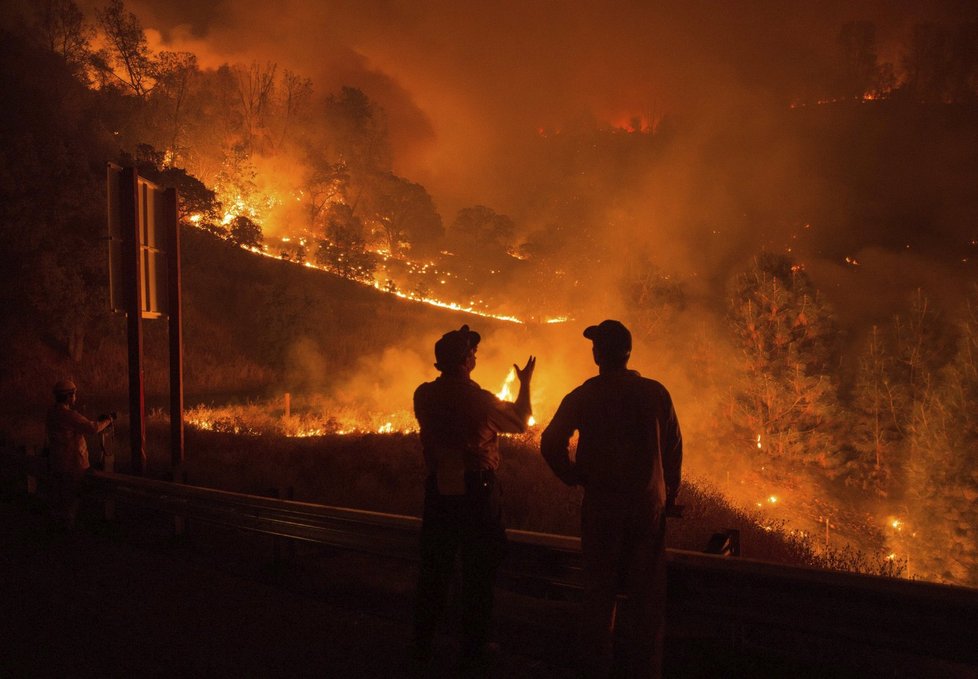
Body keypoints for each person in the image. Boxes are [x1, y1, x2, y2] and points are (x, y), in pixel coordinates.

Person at [541, 320, 682, 679]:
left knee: (598, 596)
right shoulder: (656, 393)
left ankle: (596, 668)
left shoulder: (586, 394)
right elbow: (673, 450)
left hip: (603, 508)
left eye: (595, 346)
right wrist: (668, 496)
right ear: (628, 352)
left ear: (598, 354)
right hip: (647, 509)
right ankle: (643, 671)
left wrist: (571, 475)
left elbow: (550, 441)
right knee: (646, 599)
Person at [412, 324, 535, 670]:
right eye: (472, 351)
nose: (476, 355)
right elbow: (522, 420)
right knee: (479, 571)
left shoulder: (424, 394)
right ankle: (474, 649)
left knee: (434, 569)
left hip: (439, 490)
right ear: (466, 361)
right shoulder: (480, 401)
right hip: (475, 494)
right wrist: (524, 383)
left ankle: (422, 645)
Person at [44, 379, 114, 530]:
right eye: (74, 394)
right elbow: (92, 428)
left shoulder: (51, 413)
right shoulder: (69, 415)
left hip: (58, 462)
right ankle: (68, 528)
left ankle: (58, 525)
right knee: (72, 496)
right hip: (74, 464)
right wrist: (109, 420)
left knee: (61, 496)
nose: (75, 397)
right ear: (69, 396)